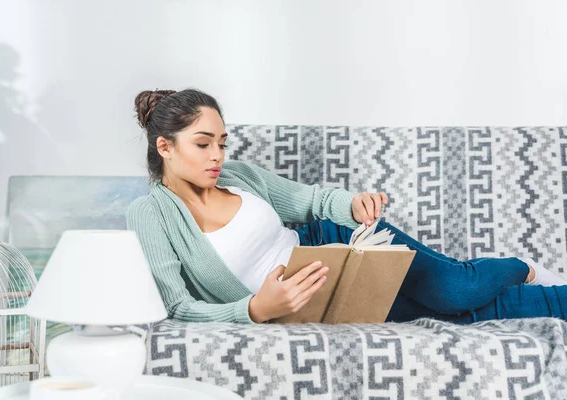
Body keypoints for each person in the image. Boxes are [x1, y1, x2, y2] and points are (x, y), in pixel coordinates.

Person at [126, 88, 567, 324]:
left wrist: (352, 205)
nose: (217, 156)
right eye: (203, 144)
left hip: (341, 245)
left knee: (457, 292)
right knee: (464, 315)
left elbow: (311, 201)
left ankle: (521, 266)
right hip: (314, 307)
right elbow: (178, 306)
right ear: (164, 146)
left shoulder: (238, 176)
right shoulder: (150, 216)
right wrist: (255, 310)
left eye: (222, 143)